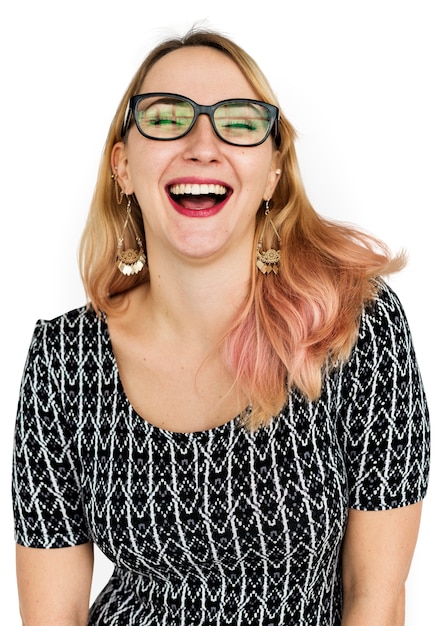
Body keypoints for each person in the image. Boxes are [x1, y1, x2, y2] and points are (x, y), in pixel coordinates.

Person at [12, 27, 430, 626]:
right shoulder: (63, 359)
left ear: (272, 174)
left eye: (237, 122)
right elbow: (53, 616)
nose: (202, 145)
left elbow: (377, 600)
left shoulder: (354, 328)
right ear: (123, 166)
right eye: (166, 118)